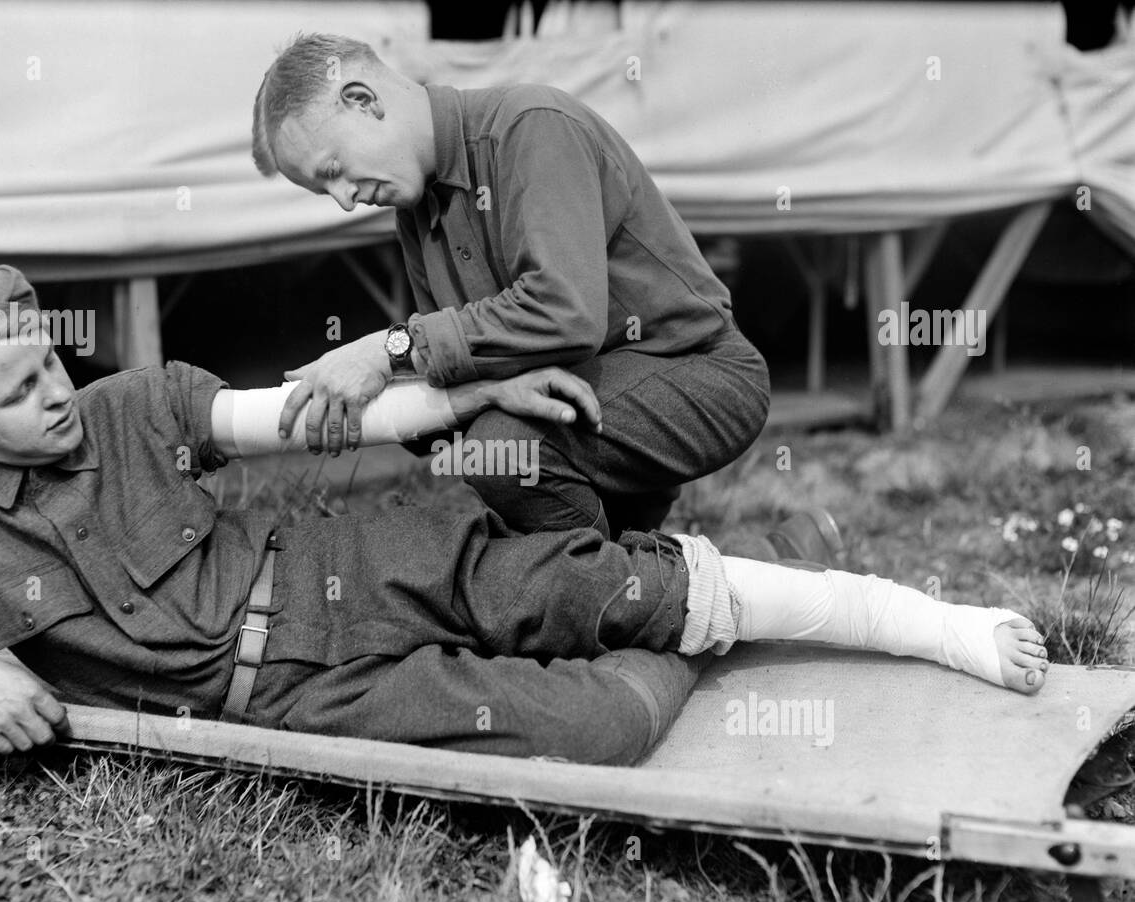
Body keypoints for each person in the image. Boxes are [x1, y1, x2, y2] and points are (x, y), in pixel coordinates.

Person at [0, 267, 1049, 764]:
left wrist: (472, 388)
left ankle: (907, 616)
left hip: (356, 561)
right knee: (606, 730)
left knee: (594, 592)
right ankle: (754, 568)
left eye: (52, 364)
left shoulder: (132, 402)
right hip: (303, 697)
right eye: (18, 393)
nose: (57, 395)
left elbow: (313, 417)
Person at [251, 33, 772, 540]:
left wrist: (388, 350)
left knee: (503, 450)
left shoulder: (531, 125)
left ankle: (611, 591)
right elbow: (453, 374)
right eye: (325, 191)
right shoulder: (414, 212)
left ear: (362, 101)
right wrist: (370, 399)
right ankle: (732, 565)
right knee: (469, 450)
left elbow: (564, 314)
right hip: (582, 407)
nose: (344, 200)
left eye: (335, 170)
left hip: (695, 371)